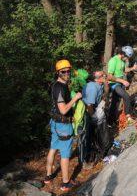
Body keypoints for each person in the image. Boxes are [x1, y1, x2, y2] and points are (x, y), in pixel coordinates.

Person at [44, 59, 82, 192]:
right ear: (58, 73)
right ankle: (65, 183)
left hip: (54, 123)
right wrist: (75, 98)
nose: (67, 73)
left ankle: (48, 176)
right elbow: (63, 110)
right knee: (65, 154)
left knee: (53, 148)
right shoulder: (60, 88)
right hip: (63, 125)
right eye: (63, 71)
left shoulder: (56, 85)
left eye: (68, 71)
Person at [81, 71, 108, 165]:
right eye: (103, 75)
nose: (105, 76)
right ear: (97, 79)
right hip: (90, 112)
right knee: (92, 134)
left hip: (95, 109)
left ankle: (101, 151)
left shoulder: (98, 85)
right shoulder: (93, 88)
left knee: (95, 133)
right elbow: (89, 105)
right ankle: (89, 157)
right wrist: (94, 117)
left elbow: (105, 93)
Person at [107, 46, 137, 123]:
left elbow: (124, 70)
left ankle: (110, 121)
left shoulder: (122, 61)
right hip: (114, 84)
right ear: (123, 54)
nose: (127, 59)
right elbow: (109, 76)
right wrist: (123, 81)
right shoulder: (113, 60)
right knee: (126, 96)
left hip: (120, 82)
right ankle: (128, 116)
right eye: (127, 57)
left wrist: (132, 68)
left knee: (115, 102)